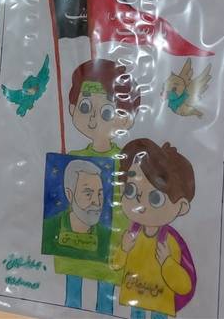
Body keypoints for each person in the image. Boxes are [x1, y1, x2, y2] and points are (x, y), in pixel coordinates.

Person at [58, 59, 141, 314]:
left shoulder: (126, 163)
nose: (93, 119)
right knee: (72, 297)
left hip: (110, 246)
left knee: (106, 300)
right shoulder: (73, 158)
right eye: (85, 107)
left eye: (106, 113)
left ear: (125, 120)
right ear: (72, 108)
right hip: (75, 242)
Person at [113, 138, 196, 319]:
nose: (140, 203)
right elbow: (115, 265)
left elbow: (184, 286)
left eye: (155, 198)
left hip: (160, 305)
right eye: (130, 190)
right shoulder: (132, 233)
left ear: (181, 206)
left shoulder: (170, 243)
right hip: (134, 301)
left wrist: (167, 262)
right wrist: (124, 249)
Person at [42, 159, 110, 261]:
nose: (97, 202)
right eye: (88, 194)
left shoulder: (106, 237)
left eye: (99, 194)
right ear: (70, 195)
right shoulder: (48, 230)